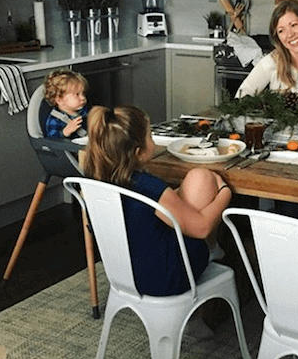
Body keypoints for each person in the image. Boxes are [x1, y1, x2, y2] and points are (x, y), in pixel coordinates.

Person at [82, 104, 232, 298]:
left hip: (123, 275)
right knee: (203, 179)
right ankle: (211, 250)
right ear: (137, 152)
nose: (152, 140)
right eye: (150, 136)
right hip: (167, 278)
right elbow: (202, 227)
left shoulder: (93, 181)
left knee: (198, 179)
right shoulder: (146, 186)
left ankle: (211, 249)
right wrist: (225, 193)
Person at [43, 69, 89, 140]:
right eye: (77, 94)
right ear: (60, 100)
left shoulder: (83, 110)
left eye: (83, 93)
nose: (82, 98)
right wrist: (65, 132)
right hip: (71, 149)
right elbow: (51, 141)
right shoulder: (55, 120)